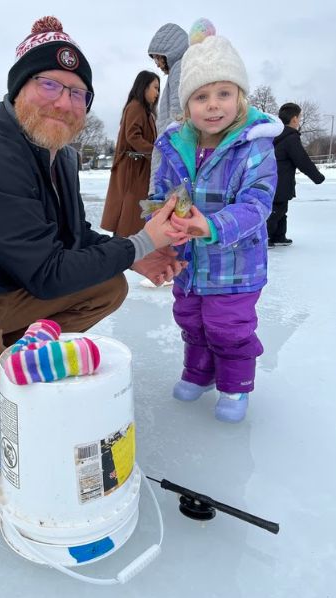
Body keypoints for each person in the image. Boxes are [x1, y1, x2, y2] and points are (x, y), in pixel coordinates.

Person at [0, 16, 184, 454]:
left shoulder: (59, 154)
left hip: (3, 279)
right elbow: (48, 273)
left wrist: (133, 257)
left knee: (107, 286)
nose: (65, 103)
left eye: (78, 93)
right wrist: (142, 241)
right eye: (49, 85)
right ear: (18, 87)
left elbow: (74, 234)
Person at [151, 18, 283, 423]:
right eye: (201, 96)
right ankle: (199, 372)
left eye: (223, 93)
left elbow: (258, 202)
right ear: (186, 105)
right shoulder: (176, 145)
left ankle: (235, 386)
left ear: (239, 98)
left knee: (228, 327)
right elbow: (164, 190)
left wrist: (212, 225)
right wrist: (163, 217)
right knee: (190, 319)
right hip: (190, 265)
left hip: (235, 266)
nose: (213, 105)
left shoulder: (254, 147)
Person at [100, 71, 159, 237]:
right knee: (129, 210)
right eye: (155, 87)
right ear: (144, 87)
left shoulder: (145, 111)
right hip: (132, 169)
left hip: (139, 168)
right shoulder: (136, 107)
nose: (157, 93)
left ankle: (128, 244)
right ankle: (124, 245)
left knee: (133, 211)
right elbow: (133, 136)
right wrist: (156, 152)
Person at [267, 102, 325, 247]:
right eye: (299, 118)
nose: (299, 121)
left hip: (273, 180)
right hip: (280, 182)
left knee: (281, 209)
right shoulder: (290, 138)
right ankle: (266, 237)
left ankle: (278, 236)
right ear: (294, 119)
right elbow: (302, 160)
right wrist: (318, 177)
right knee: (276, 211)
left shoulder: (275, 135)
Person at [147, 23, 189, 194]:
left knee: (165, 200)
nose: (157, 63)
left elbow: (178, 115)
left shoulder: (179, 69)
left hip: (172, 147)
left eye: (157, 57)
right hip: (172, 145)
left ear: (168, 52)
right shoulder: (181, 68)